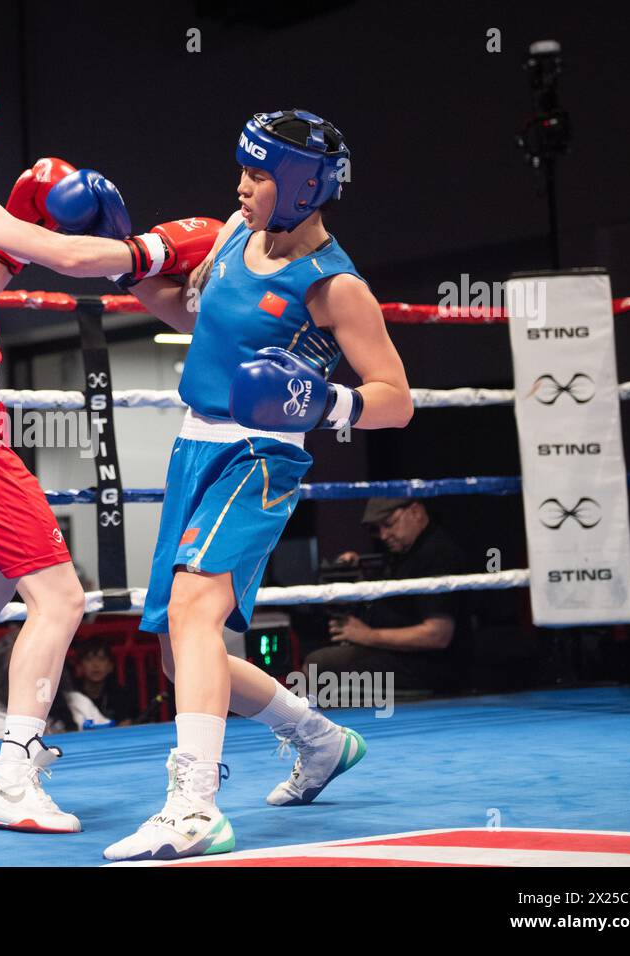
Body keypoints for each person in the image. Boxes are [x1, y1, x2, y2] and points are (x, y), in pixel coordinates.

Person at [85, 110, 414, 861]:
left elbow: (397, 398)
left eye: (259, 175)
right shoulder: (235, 236)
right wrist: (127, 269)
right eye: (243, 169)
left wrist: (324, 402)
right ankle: (320, 737)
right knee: (182, 651)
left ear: (301, 187)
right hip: (193, 447)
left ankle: (192, 804)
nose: (241, 187)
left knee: (199, 613)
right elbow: (187, 314)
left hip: (261, 456)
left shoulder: (336, 286)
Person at [0, 72, 193, 832]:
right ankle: (13, 778)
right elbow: (70, 258)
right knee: (60, 597)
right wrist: (150, 247)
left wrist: (14, 216)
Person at [308, 497, 469, 691]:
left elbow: (438, 634)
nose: (383, 535)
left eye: (388, 524)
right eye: (377, 529)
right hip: (399, 656)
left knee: (319, 666)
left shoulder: (438, 554)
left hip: (429, 666)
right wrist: (359, 568)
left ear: (416, 512)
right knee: (320, 652)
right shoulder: (404, 551)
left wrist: (368, 635)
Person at [72, 637, 139, 726]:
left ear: (110, 666)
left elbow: (126, 723)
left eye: (102, 659)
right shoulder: (72, 696)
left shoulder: (119, 693)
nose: (96, 665)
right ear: (79, 667)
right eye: (88, 659)